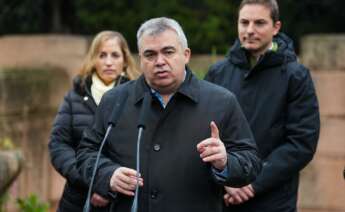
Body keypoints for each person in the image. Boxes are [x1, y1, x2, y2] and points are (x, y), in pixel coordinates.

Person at [76, 17, 261, 212]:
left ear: (186, 54)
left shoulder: (221, 102)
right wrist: (108, 175)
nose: (160, 62)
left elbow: (251, 161)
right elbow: (86, 153)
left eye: (168, 52)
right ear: (140, 60)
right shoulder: (115, 101)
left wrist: (225, 163)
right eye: (150, 54)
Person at [205, 0, 320, 211]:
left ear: (276, 27)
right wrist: (229, 178)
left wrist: (252, 183)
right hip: (223, 195)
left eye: (259, 23)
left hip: (273, 199)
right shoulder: (217, 72)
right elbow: (202, 130)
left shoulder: (296, 76)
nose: (250, 30)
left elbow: (301, 143)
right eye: (244, 22)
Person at [49, 30, 140, 211]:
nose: (108, 62)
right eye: (102, 55)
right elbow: (59, 146)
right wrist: (95, 182)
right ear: (93, 60)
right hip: (78, 196)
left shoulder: (137, 97)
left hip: (124, 199)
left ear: (124, 61)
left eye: (115, 55)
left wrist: (111, 186)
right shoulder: (75, 96)